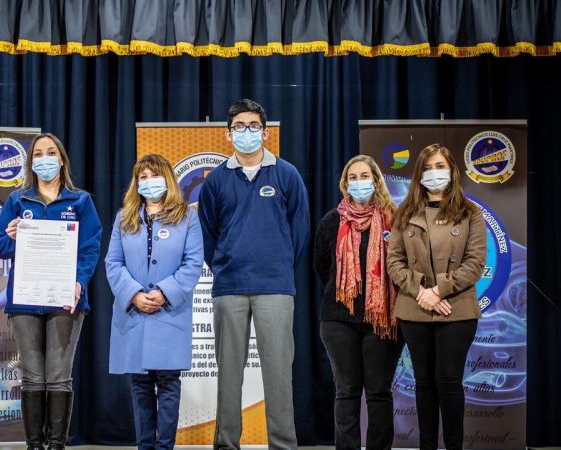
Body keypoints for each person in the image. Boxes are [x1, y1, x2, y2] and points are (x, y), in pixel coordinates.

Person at [197, 99, 310, 450]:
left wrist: (277, 268)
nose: (247, 132)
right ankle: (226, 444)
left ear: (264, 131)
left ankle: (283, 445)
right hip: (229, 287)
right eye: (239, 127)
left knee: (278, 374)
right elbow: (208, 235)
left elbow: (300, 232)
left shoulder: (286, 174)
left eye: (253, 126)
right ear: (228, 134)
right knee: (228, 375)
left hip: (275, 287)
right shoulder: (215, 180)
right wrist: (227, 266)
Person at [0, 133, 102, 450]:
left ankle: (56, 445)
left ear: (62, 159)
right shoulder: (18, 200)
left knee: (58, 376)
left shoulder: (80, 201)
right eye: (38, 153)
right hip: (26, 299)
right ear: (31, 162)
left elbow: (90, 247)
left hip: (65, 298)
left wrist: (79, 281)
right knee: (32, 377)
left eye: (51, 152)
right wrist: (11, 235)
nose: (44, 158)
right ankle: (34, 445)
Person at [387, 143, 485, 450]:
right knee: (424, 382)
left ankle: (454, 446)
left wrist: (438, 290)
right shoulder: (404, 213)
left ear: (453, 171)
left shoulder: (471, 213)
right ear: (418, 175)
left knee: (448, 380)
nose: (434, 173)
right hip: (414, 310)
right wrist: (421, 292)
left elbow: (475, 263)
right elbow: (394, 262)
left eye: (440, 167)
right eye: (428, 168)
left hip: (457, 310)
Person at [106, 154, 204, 450]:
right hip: (134, 314)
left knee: (169, 385)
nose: (148, 182)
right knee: (140, 387)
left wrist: (164, 292)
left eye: (153, 175)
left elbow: (192, 263)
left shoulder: (188, 217)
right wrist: (134, 294)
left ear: (168, 179)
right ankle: (145, 446)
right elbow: (113, 261)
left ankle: (164, 447)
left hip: (168, 313)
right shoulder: (124, 218)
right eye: (142, 177)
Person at [313, 155, 403, 449]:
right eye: (353, 177)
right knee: (347, 390)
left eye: (365, 176)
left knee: (378, 391)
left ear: (376, 181)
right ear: (345, 183)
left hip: (382, 319)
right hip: (339, 319)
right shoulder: (331, 220)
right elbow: (322, 266)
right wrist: (348, 294)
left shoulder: (395, 219)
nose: (359, 182)